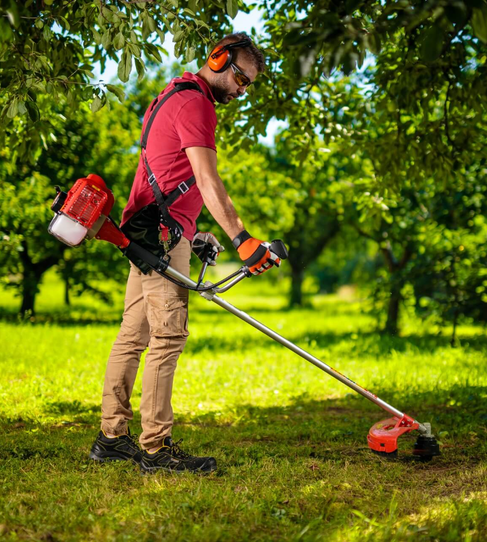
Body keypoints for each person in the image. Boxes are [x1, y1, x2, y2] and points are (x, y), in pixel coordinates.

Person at [89, 33, 279, 473]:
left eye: (248, 85)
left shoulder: (172, 95)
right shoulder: (197, 104)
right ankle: (155, 448)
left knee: (132, 337)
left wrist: (194, 231)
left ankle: (112, 437)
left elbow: (170, 174)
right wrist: (242, 240)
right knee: (168, 336)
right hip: (160, 236)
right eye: (241, 78)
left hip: (147, 232)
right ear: (218, 59)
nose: (242, 90)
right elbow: (207, 180)